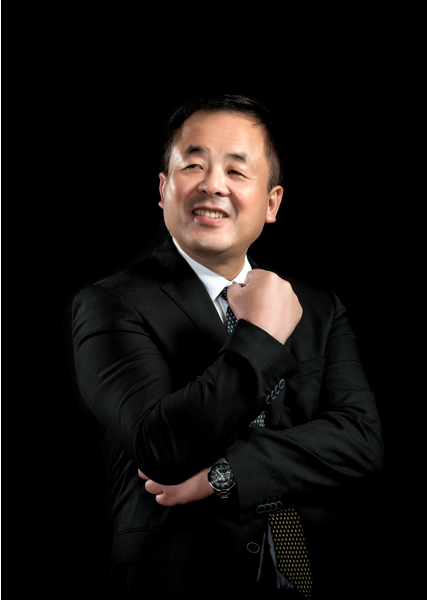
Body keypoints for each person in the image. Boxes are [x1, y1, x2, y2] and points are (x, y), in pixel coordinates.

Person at [72, 93, 384, 599]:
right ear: (163, 189)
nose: (213, 185)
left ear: (271, 203)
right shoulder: (110, 304)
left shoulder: (318, 306)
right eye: (193, 165)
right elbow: (161, 447)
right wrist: (261, 335)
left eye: (236, 171)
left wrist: (225, 474)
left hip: (315, 576)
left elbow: (361, 440)